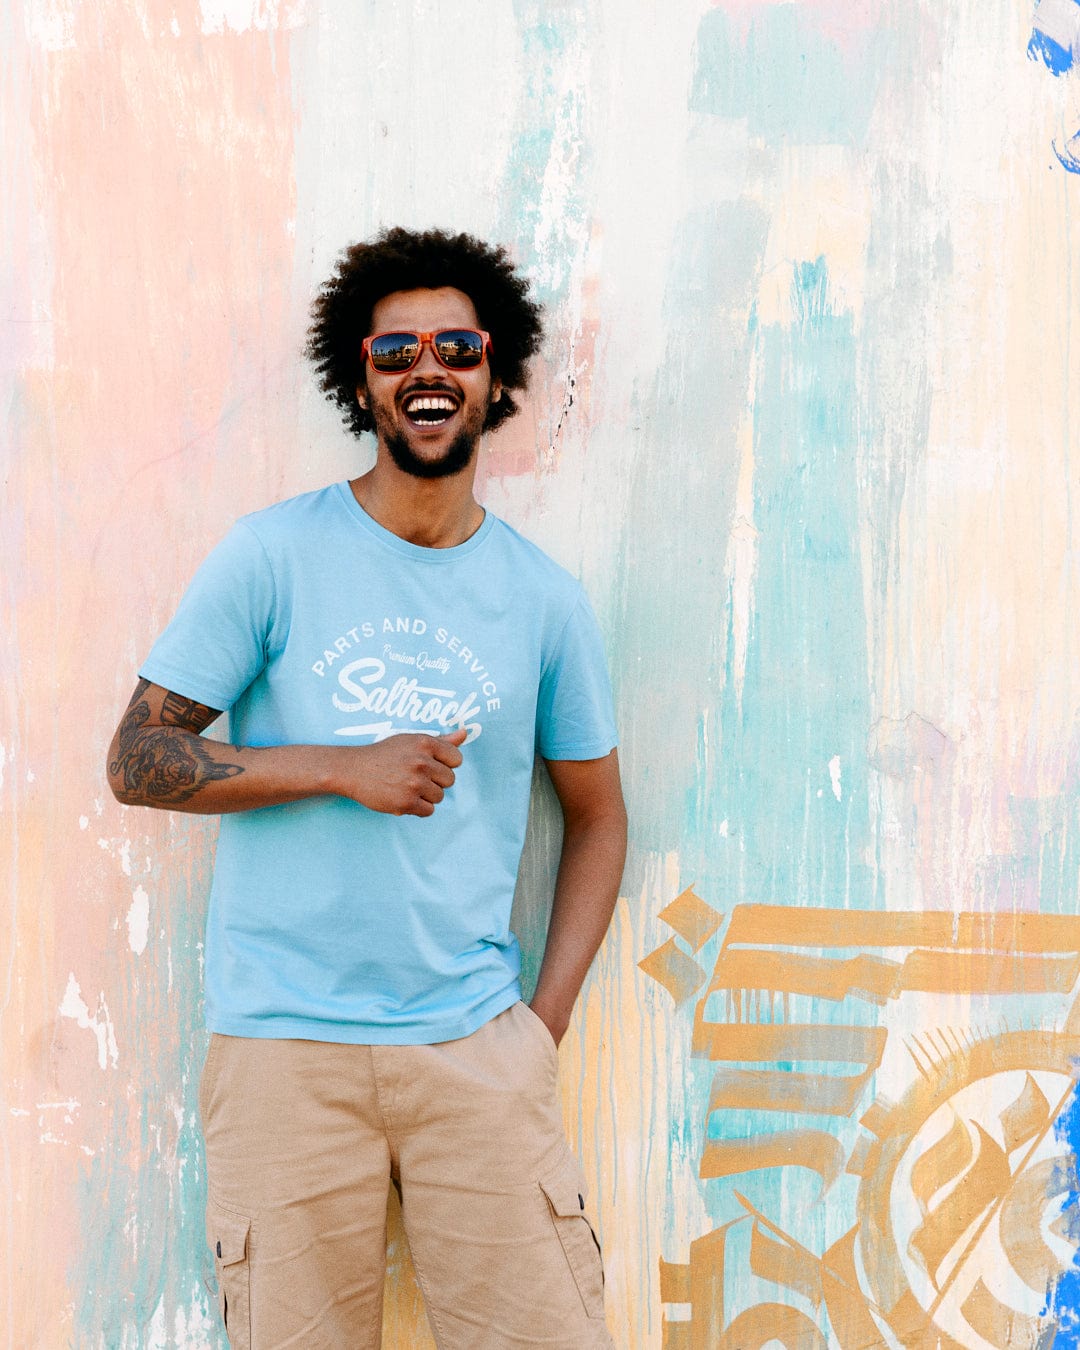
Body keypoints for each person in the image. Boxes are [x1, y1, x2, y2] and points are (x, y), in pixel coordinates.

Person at [106, 227, 626, 1349]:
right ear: (360, 381)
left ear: (495, 376)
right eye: (395, 352)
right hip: (284, 1054)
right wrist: (346, 766)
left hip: (475, 1049)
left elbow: (597, 815)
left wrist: (542, 1026)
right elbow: (137, 758)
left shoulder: (544, 600)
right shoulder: (271, 556)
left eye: (457, 346)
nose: (426, 368)